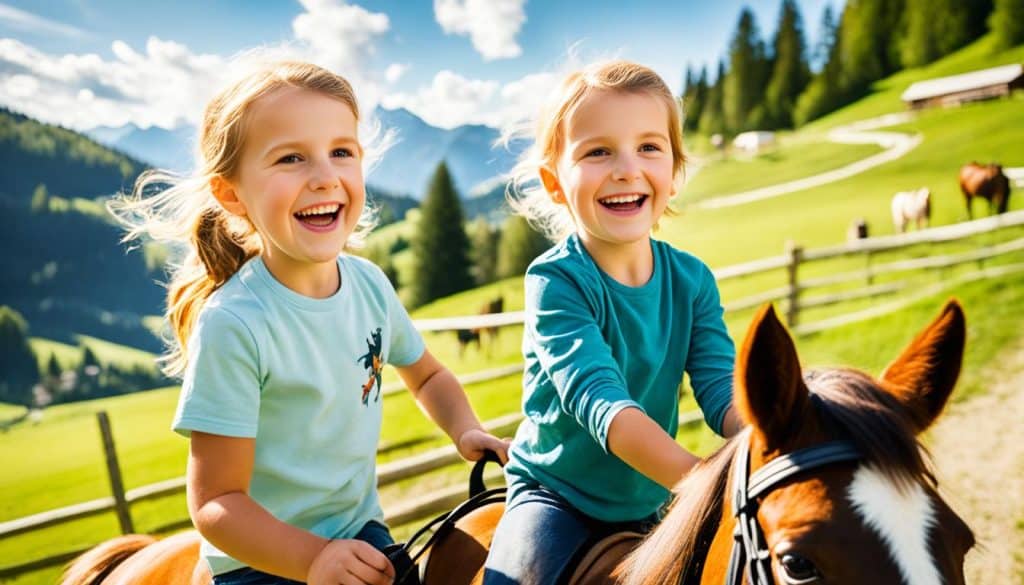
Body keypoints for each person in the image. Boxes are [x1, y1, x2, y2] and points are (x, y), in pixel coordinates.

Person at [111, 60, 509, 585]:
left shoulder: (369, 285)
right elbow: (215, 502)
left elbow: (428, 375)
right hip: (261, 563)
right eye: (291, 158)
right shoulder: (235, 324)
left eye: (341, 152)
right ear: (231, 194)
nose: (325, 178)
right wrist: (312, 559)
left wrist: (466, 428)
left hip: (359, 534)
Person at [483, 60, 743, 585]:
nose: (627, 169)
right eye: (598, 152)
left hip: (651, 498)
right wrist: (702, 483)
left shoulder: (692, 280)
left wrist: (775, 435)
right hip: (557, 496)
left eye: (649, 147)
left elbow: (721, 389)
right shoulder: (556, 281)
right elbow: (605, 407)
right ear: (555, 183)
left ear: (674, 172)